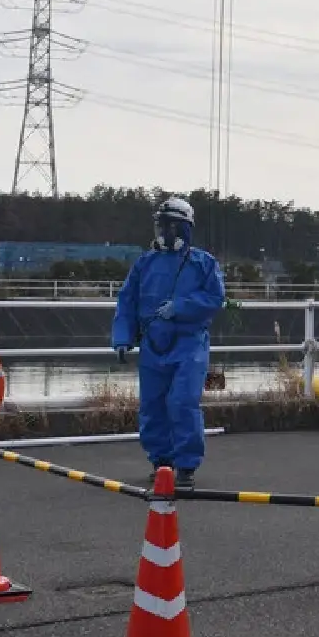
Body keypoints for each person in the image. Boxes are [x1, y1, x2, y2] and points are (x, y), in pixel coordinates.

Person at [111, 195, 225, 490]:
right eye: (161, 226)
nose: (164, 232)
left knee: (183, 402)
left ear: (183, 229)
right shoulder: (145, 264)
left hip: (189, 343)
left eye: (170, 226)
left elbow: (215, 298)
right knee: (152, 405)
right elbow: (128, 301)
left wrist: (182, 306)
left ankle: (186, 467)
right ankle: (161, 462)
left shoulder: (203, 263)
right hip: (153, 344)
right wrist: (123, 337)